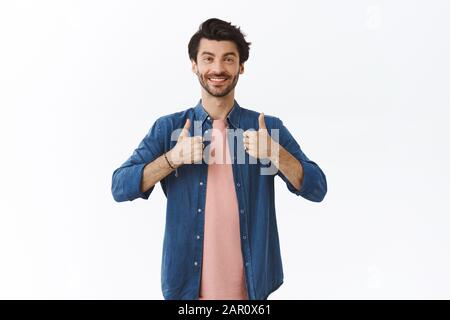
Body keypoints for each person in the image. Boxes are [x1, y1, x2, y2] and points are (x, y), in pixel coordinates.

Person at [111, 18, 327, 300]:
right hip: (187, 291)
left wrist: (275, 153)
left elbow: (317, 188)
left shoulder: (265, 127)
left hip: (251, 291)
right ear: (194, 64)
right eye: (208, 58)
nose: (218, 68)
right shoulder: (169, 128)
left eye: (228, 59)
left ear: (241, 67)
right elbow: (119, 187)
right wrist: (173, 158)